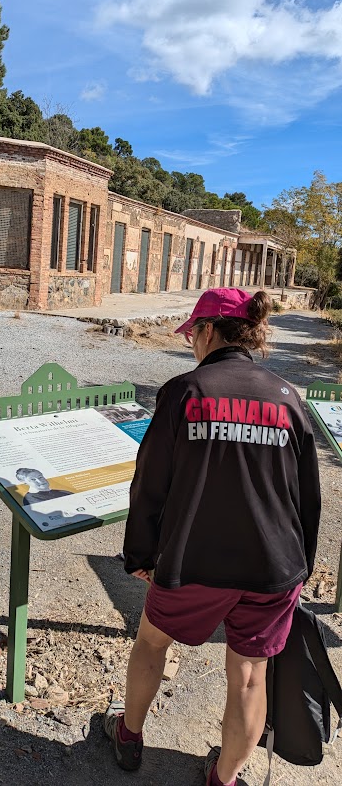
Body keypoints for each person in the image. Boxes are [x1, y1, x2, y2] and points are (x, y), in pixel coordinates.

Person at [104, 288, 321, 786]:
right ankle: (223, 779)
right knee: (248, 678)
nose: (190, 347)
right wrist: (299, 570)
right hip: (273, 567)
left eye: (192, 336)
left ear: (207, 331)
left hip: (193, 563)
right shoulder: (289, 398)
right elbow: (307, 497)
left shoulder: (185, 391)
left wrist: (140, 552)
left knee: (153, 643)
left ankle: (129, 738)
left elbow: (150, 482)